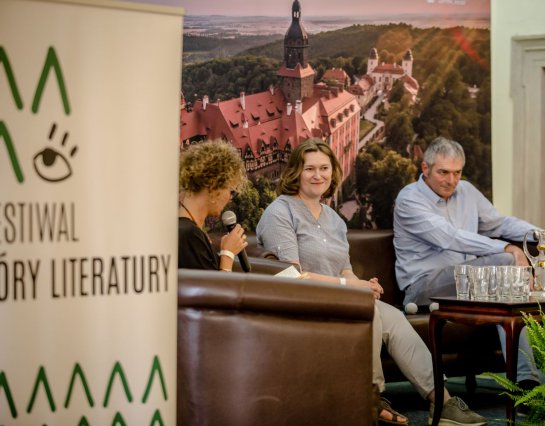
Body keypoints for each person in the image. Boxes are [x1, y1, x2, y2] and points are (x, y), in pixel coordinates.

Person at [257, 138, 487, 426]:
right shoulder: (280, 212)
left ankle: (442, 403)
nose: (318, 176)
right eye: (310, 169)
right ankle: (370, 397)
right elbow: (289, 276)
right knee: (370, 311)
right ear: (295, 173)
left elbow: (345, 270)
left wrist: (365, 284)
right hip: (302, 304)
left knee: (394, 318)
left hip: (339, 300)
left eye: (324, 168)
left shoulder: (335, 219)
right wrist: (351, 288)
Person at [393, 136, 545, 390]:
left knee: (506, 293)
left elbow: (500, 223)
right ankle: (526, 379)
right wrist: (507, 248)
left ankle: (526, 381)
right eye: (443, 172)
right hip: (423, 287)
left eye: (457, 173)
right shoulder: (409, 199)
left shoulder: (465, 190)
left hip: (466, 284)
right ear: (425, 168)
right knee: (505, 264)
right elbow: (450, 237)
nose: (451, 181)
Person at [178, 140, 248, 271]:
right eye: (230, 191)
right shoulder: (189, 235)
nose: (230, 199)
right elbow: (214, 290)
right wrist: (228, 254)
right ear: (214, 186)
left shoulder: (188, 230)